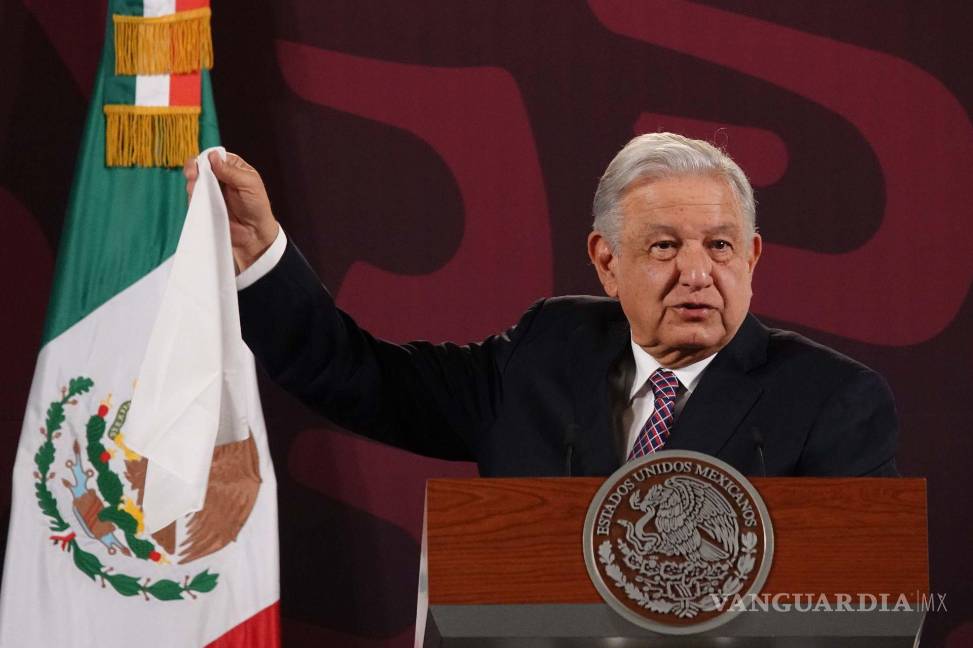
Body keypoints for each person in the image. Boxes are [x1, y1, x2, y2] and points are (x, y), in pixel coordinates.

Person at [184, 133, 898, 477]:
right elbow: (359, 377)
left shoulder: (830, 400)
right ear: (606, 263)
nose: (696, 273)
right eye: (663, 246)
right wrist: (261, 254)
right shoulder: (544, 353)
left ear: (751, 258)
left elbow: (851, 607)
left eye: (718, 246)